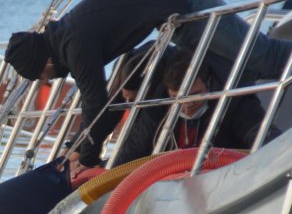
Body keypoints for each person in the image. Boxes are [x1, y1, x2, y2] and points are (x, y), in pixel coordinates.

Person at [4, 0, 292, 178]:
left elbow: (95, 99)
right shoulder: (69, 36)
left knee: (263, 58)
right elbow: (108, 103)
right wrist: (79, 147)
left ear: (43, 60)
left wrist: (87, 152)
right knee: (239, 74)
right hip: (177, 17)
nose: (48, 82)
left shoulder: (73, 41)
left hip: (188, 1)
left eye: (41, 75)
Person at [112, 48, 282, 165]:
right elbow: (133, 150)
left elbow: (262, 135)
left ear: (209, 84)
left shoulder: (234, 101)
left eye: (194, 95)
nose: (187, 105)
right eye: (177, 98)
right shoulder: (158, 105)